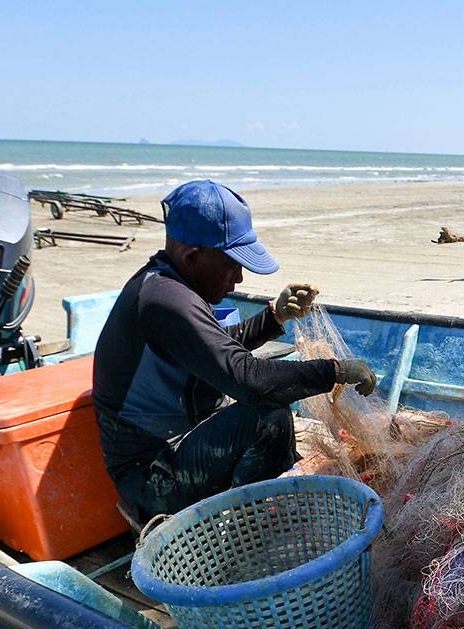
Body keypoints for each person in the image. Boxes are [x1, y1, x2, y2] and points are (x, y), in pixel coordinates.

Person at [92, 179, 377, 521]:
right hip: (151, 475)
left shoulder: (169, 285)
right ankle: (249, 530)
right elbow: (248, 379)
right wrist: (333, 371)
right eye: (232, 264)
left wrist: (275, 316)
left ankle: (248, 507)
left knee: (267, 413)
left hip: (175, 444)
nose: (239, 279)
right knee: (267, 418)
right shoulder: (166, 300)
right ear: (193, 256)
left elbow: (217, 347)